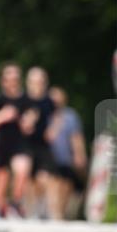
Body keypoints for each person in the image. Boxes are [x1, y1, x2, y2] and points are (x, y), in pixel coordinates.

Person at [0, 63, 33, 218]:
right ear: (3, 81)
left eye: (16, 79)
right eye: (10, 79)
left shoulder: (26, 98)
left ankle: (16, 202)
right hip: (3, 143)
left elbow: (31, 117)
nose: (13, 82)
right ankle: (0, 209)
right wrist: (3, 116)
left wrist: (28, 122)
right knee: (1, 180)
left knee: (22, 170)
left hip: (20, 143)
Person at [45, 87, 88, 220]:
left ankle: (61, 212)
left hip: (66, 157)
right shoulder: (45, 114)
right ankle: (54, 212)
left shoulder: (70, 116)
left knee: (66, 184)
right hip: (49, 156)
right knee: (53, 182)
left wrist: (79, 154)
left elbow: (76, 137)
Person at [23, 66, 56, 218]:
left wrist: (53, 130)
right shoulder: (23, 99)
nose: (38, 85)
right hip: (26, 144)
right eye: (35, 82)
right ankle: (31, 211)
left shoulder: (48, 100)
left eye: (41, 82)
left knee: (44, 178)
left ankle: (42, 208)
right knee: (29, 179)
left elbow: (57, 117)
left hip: (43, 145)